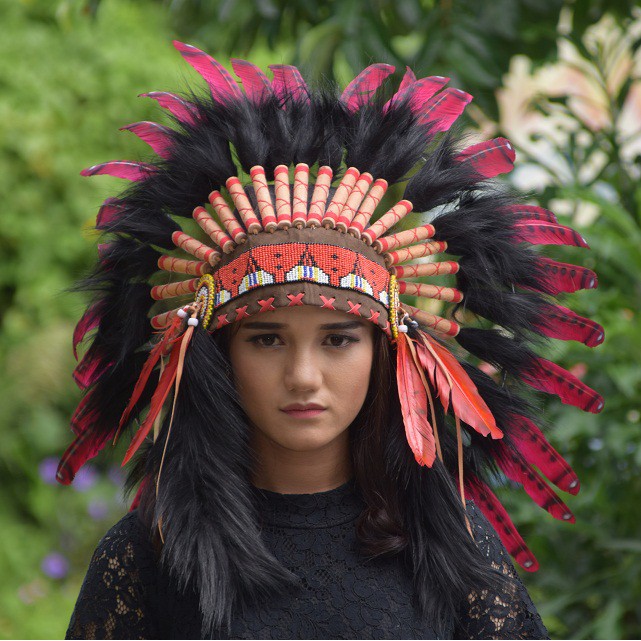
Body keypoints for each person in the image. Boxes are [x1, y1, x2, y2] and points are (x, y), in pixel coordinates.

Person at [58, 41, 603, 639]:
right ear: (218, 354)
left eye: (338, 340)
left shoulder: (453, 547)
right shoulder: (148, 555)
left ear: (388, 351)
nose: (303, 376)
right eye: (267, 340)